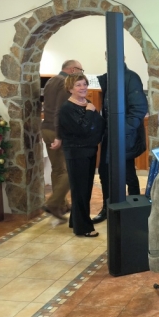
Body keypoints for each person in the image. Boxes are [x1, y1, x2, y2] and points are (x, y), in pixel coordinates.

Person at [92, 59, 148, 223]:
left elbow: (139, 109)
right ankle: (108, 209)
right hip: (109, 135)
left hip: (125, 137)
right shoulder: (108, 78)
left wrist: (123, 131)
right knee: (105, 173)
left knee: (128, 174)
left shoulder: (131, 78)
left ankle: (135, 211)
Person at [58, 73, 104, 237]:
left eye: (84, 84)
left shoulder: (87, 103)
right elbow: (82, 129)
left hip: (89, 150)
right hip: (76, 152)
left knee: (85, 189)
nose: (83, 87)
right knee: (80, 190)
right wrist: (91, 113)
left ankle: (75, 221)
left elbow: (97, 125)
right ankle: (84, 227)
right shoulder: (67, 108)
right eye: (78, 85)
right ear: (70, 89)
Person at [41, 59, 84, 222]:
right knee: (71, 169)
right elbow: (62, 111)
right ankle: (53, 203)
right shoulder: (66, 83)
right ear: (72, 70)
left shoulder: (51, 81)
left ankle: (61, 204)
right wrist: (60, 135)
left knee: (58, 169)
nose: (81, 74)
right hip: (58, 131)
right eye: (80, 70)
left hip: (46, 128)